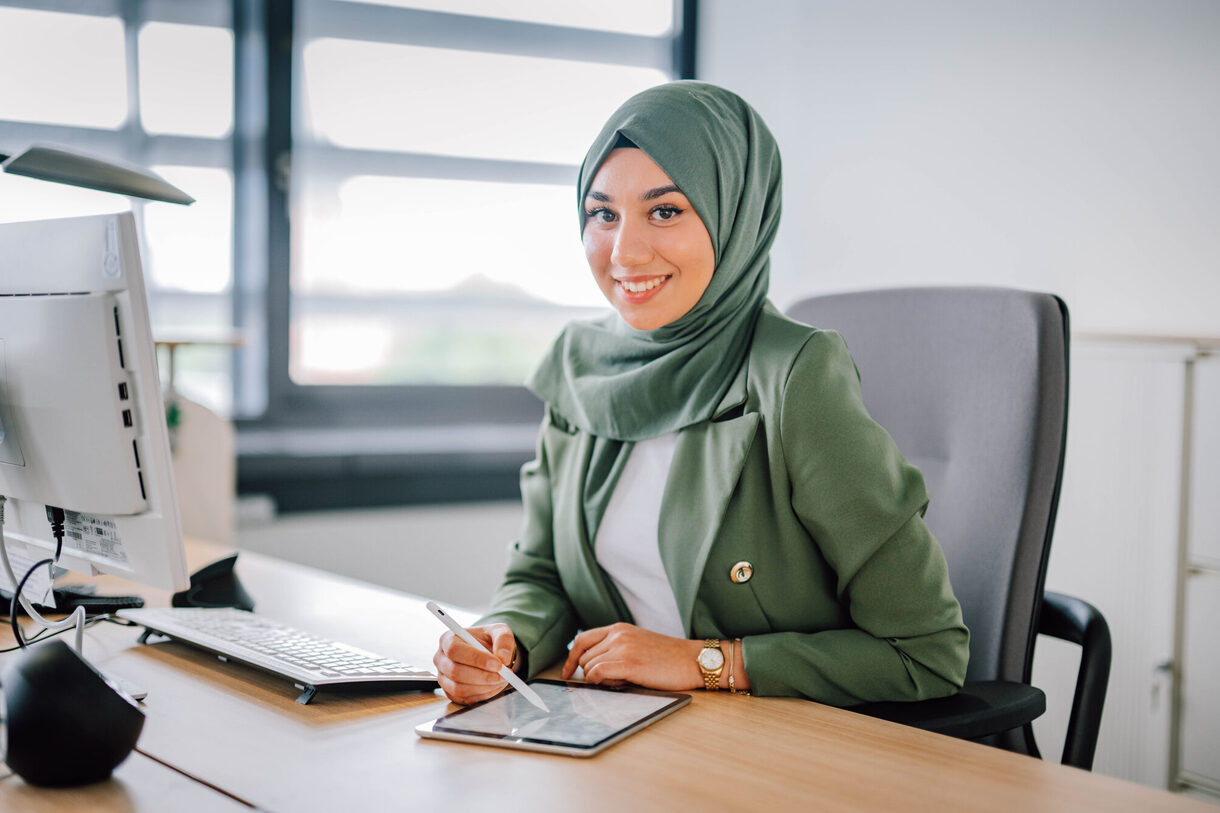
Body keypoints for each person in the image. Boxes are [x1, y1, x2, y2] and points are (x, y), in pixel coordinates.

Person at [432, 81, 969, 706]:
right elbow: (541, 574)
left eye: (665, 211)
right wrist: (504, 640)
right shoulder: (583, 366)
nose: (624, 252)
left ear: (736, 215)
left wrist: (707, 662)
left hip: (781, 749)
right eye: (603, 213)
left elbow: (927, 653)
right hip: (630, 734)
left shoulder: (797, 376)